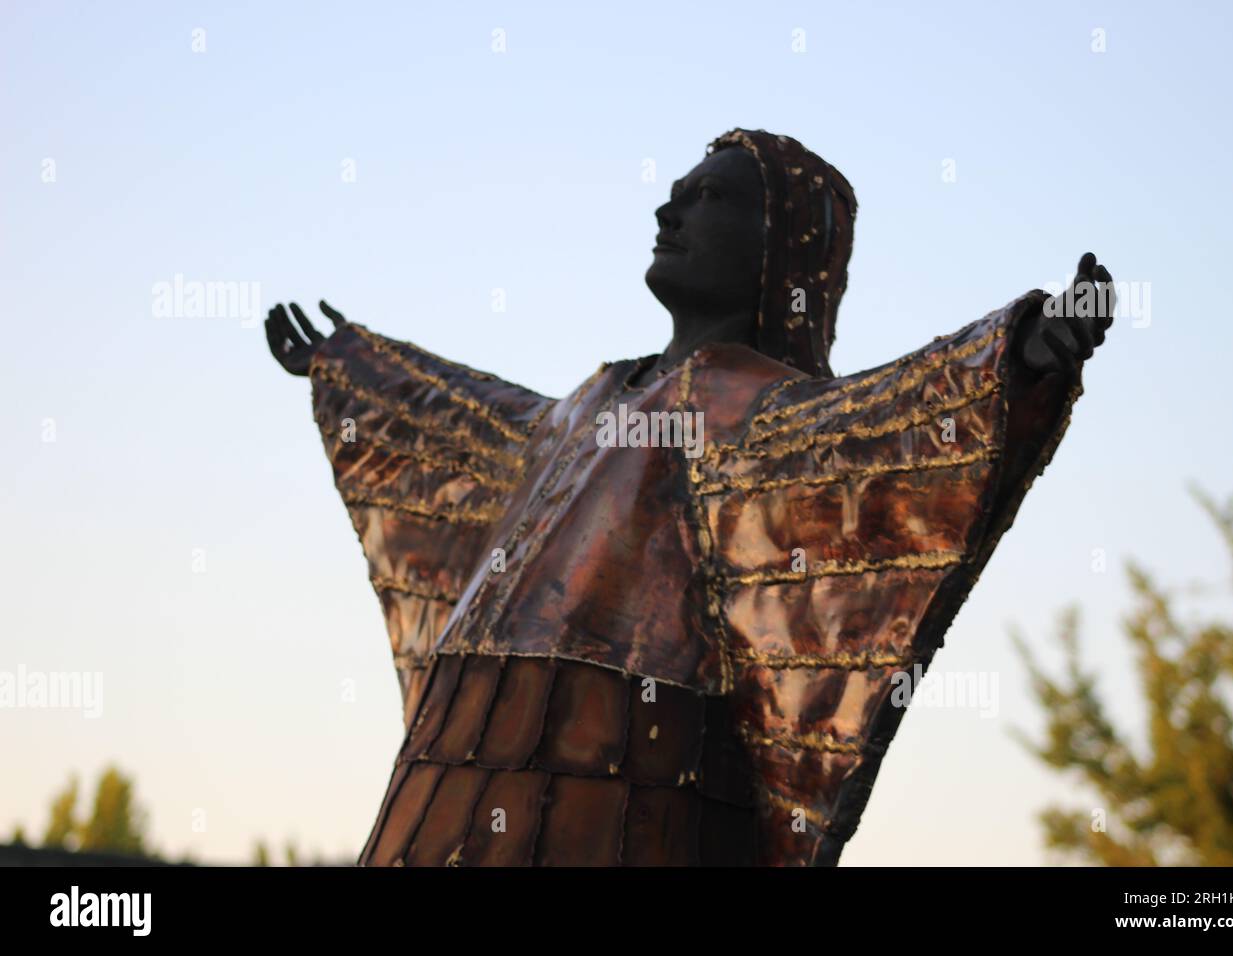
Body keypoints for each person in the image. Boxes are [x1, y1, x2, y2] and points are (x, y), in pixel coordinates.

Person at [264, 128, 1113, 866]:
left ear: (782, 248)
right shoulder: (589, 403)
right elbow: (467, 421)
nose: (668, 213)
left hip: (639, 779)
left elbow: (894, 422)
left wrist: (1021, 353)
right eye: (676, 194)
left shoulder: (764, 415)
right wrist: (350, 366)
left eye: (709, 198)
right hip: (452, 766)